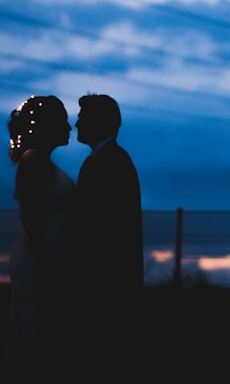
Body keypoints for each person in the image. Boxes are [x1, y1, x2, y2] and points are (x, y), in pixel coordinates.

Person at [3, 94, 76, 370]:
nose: (69, 128)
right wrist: (50, 260)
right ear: (48, 127)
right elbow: (31, 216)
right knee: (33, 324)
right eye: (64, 122)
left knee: (39, 324)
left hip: (42, 255)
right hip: (38, 258)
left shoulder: (42, 162)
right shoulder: (33, 161)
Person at [72, 93, 144, 364]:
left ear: (97, 122)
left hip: (106, 290)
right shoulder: (108, 160)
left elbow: (102, 232)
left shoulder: (109, 163)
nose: (77, 124)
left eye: (82, 118)